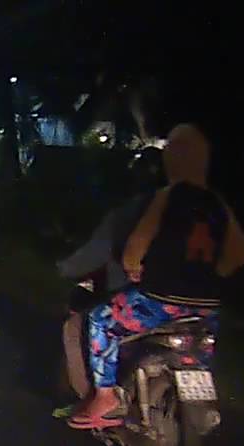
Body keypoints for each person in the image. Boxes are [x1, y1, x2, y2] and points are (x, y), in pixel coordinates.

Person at [68, 124, 244, 429]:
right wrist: (215, 273)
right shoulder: (217, 202)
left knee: (101, 320)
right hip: (208, 306)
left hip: (160, 300)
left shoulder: (169, 195)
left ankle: (105, 397)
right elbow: (241, 252)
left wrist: (133, 267)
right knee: (198, 348)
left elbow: (138, 243)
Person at [53, 149, 163, 413]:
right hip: (195, 303)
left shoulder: (128, 214)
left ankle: (95, 398)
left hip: (144, 298)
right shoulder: (191, 211)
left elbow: (93, 255)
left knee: (83, 325)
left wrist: (64, 268)